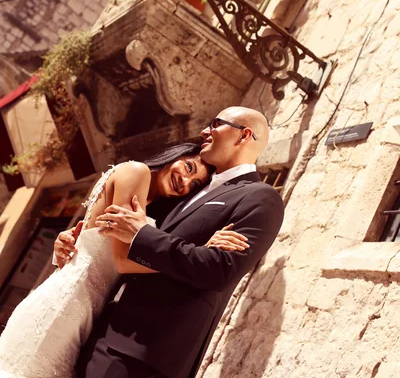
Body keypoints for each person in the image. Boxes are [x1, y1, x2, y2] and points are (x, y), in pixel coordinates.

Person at [0, 143, 245, 378]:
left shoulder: (152, 204)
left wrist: (64, 246)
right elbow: (123, 259)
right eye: (189, 168)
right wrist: (199, 254)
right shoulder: (136, 172)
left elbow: (88, 238)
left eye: (194, 186)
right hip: (65, 305)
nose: (185, 182)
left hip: (85, 310)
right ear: (177, 154)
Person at [75, 106, 284, 378]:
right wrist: (78, 238)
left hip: (147, 354)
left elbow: (220, 270)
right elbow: (127, 230)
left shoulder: (261, 198)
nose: (204, 131)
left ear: (244, 136)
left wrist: (143, 234)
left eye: (215, 124)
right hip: (105, 330)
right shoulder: (190, 187)